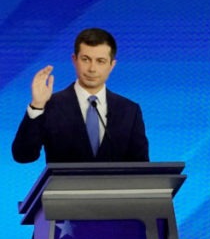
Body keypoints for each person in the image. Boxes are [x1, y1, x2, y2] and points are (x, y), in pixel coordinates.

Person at [12, 27, 149, 164]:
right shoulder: (50, 105)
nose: (92, 69)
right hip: (64, 186)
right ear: (74, 60)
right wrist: (37, 106)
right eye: (85, 59)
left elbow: (141, 168)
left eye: (100, 61)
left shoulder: (129, 111)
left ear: (112, 65)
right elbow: (23, 156)